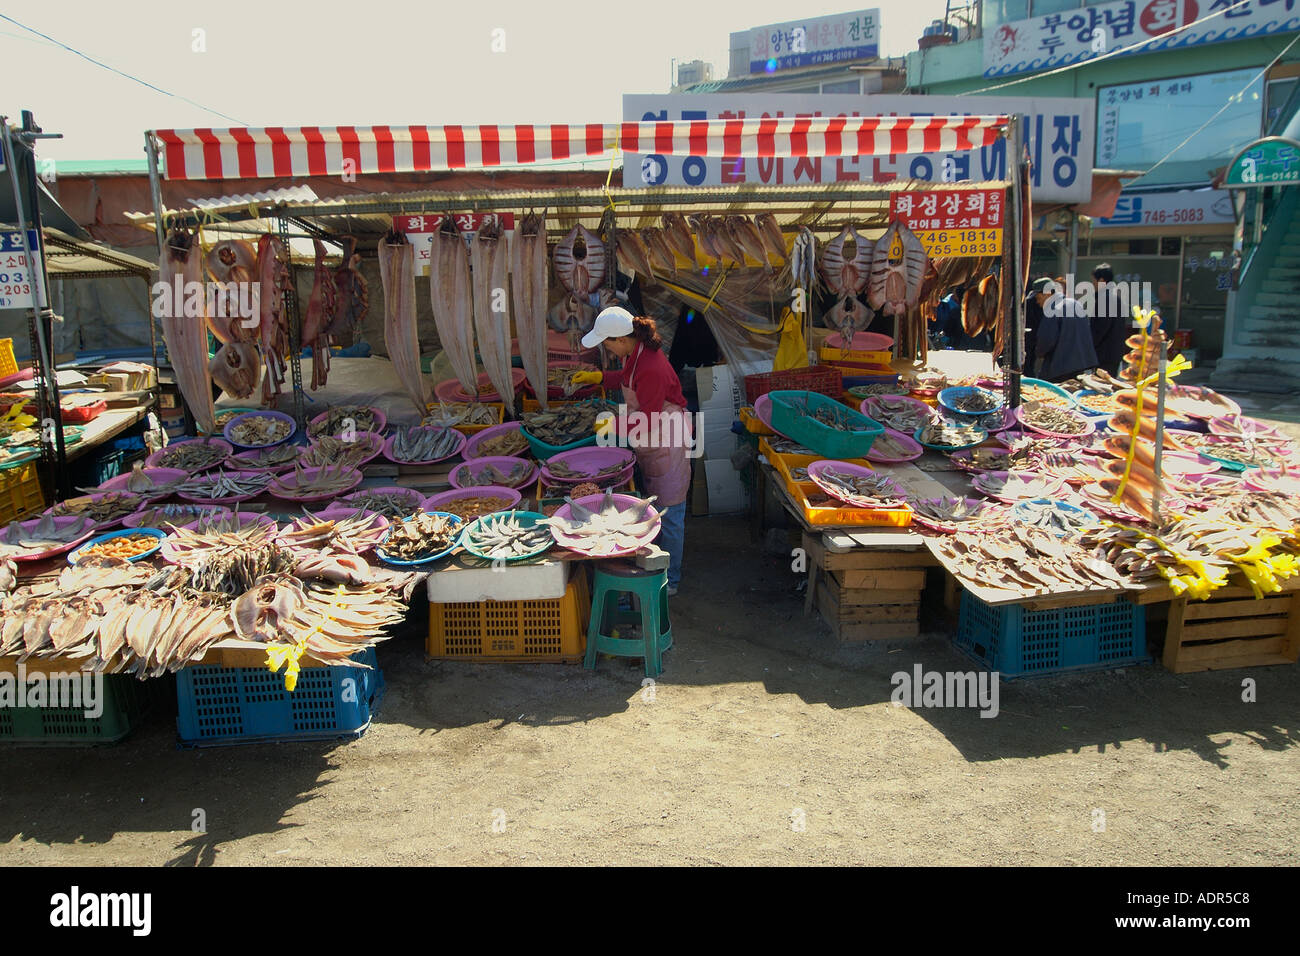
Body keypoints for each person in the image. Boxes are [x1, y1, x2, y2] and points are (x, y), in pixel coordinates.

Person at [570, 307, 692, 596]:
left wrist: (612, 425)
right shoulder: (634, 356)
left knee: (671, 510)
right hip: (652, 439)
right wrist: (599, 378)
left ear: (621, 339)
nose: (606, 347)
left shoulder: (651, 367)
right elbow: (626, 381)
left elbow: (649, 420)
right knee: (656, 503)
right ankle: (657, 558)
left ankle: (670, 579)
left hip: (667, 438)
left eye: (607, 342)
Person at [1035, 278, 1097, 382]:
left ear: (1047, 294)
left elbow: (1046, 340)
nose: (1037, 302)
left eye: (1038, 297)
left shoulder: (1052, 309)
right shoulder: (1075, 304)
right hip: (1082, 367)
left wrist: (1039, 353)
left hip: (1060, 370)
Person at [1089, 263, 1128, 374]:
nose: (1093, 284)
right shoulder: (1115, 296)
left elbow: (1099, 330)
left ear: (1101, 280)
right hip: (1112, 354)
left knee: (1101, 387)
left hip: (1104, 356)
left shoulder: (1105, 299)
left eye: (1093, 281)